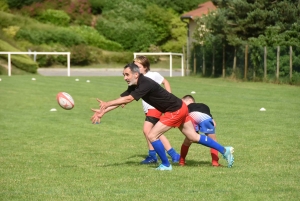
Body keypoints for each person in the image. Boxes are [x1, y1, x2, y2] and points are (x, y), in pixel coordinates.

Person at [91, 62, 234, 170]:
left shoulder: (144, 83)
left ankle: (166, 165)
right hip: (180, 107)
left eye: (126, 75)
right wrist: (104, 111)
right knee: (193, 137)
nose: (124, 78)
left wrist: (107, 103)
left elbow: (127, 100)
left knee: (152, 135)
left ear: (136, 74)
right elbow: (122, 99)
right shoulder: (135, 85)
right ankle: (224, 150)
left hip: (175, 110)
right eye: (123, 75)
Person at [133, 56, 180, 164]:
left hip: (154, 107)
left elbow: (165, 82)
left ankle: (153, 155)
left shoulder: (152, 75)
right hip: (148, 109)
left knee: (147, 130)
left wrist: (168, 96)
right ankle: (174, 154)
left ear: (145, 67)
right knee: (156, 133)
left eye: (138, 66)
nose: (135, 68)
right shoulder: (137, 79)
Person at [180, 95, 220, 167]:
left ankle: (181, 162)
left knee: (188, 140)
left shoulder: (186, 107)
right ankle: (215, 163)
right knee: (213, 141)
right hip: (205, 117)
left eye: (182, 101)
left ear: (190, 101)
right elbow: (214, 123)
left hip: (192, 116)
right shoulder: (204, 106)